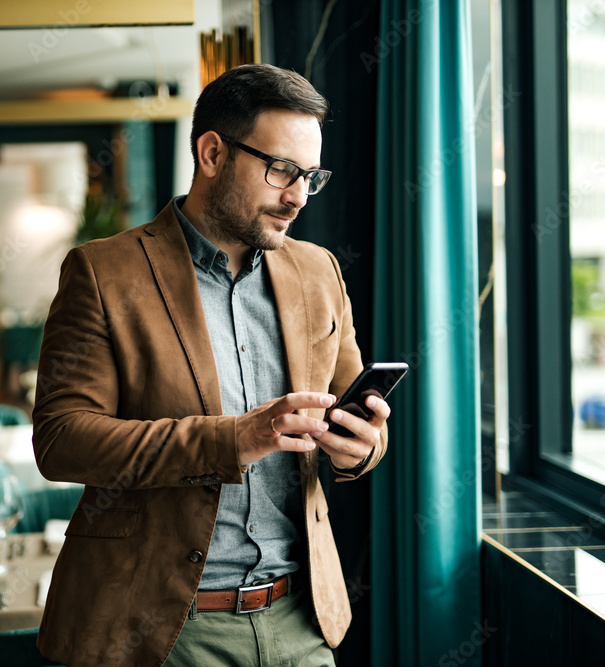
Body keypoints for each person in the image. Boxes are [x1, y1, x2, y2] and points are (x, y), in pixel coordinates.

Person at [32, 63, 390, 667]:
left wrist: (363, 448)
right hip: (158, 629)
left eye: (310, 176)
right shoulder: (103, 272)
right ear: (212, 153)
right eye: (281, 170)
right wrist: (234, 439)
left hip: (302, 621)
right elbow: (61, 440)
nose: (298, 195)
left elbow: (355, 414)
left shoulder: (318, 271)